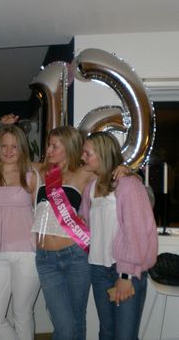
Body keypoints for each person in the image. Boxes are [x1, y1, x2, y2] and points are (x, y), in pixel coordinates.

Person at [31, 125, 129, 340]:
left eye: (54, 146)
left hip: (75, 255)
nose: (48, 150)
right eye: (49, 145)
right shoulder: (42, 171)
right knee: (64, 326)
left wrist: (128, 169)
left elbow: (110, 165)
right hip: (46, 260)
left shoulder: (83, 173)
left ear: (69, 147)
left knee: (76, 320)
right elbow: (9, 163)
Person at [79, 131, 158, 340]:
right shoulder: (90, 188)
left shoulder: (128, 185)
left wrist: (126, 275)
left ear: (103, 154)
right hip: (98, 269)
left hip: (123, 271)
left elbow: (136, 232)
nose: (82, 157)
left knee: (125, 336)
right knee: (106, 332)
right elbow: (86, 223)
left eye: (88, 153)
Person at [0, 124, 40, 340]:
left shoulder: (31, 176)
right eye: (4, 146)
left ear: (22, 148)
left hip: (28, 254)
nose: (9, 151)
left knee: (21, 315)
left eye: (14, 146)